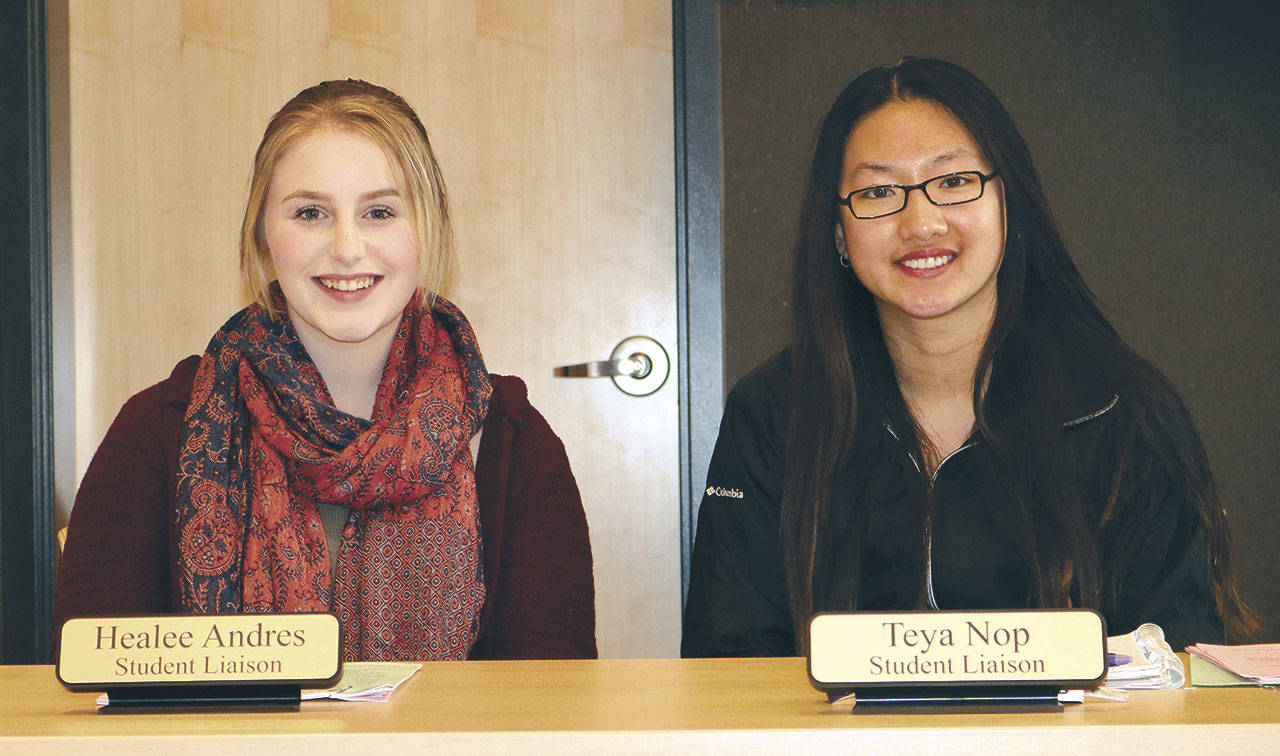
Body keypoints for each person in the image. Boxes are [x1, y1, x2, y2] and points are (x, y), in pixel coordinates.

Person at [681, 58, 1257, 657]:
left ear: (1011, 204)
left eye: (953, 183)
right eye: (879, 192)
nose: (921, 222)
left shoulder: (1124, 411)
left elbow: (1181, 672)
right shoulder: (775, 412)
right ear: (837, 234)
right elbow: (727, 663)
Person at [54, 79, 596, 662]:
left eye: (379, 212)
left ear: (429, 226)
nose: (346, 247)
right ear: (262, 234)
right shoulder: (157, 431)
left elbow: (548, 709)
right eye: (311, 213)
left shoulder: (513, 443)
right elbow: (92, 703)